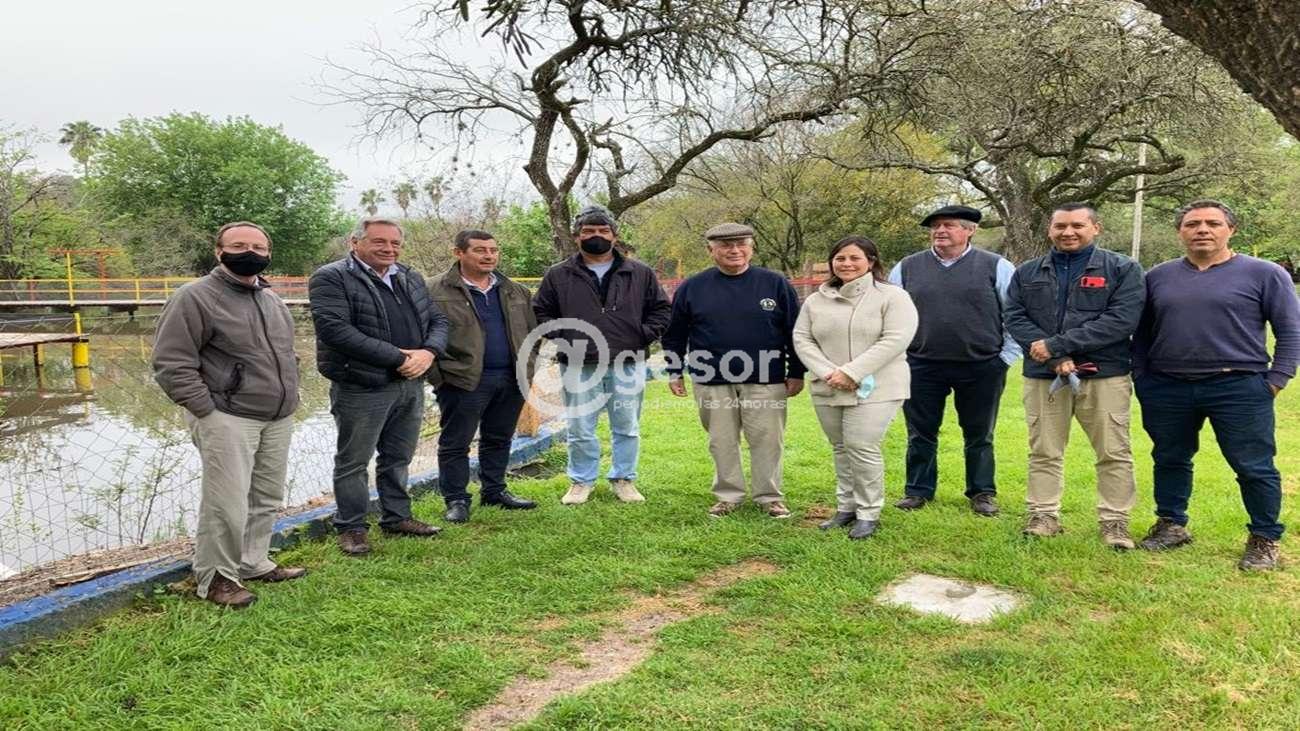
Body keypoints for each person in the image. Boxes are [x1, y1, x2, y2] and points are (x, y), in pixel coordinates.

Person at [1133, 199, 1300, 570]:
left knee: (1254, 466)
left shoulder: (1265, 273)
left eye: (1212, 223)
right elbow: (1142, 334)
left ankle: (1264, 538)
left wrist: (1277, 379)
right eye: (1192, 224)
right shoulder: (1158, 276)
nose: (1202, 230)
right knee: (1170, 457)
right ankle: (1171, 524)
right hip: (1166, 385)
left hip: (1239, 386)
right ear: (1180, 232)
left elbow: (1290, 330)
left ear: (1231, 230)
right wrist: (1141, 376)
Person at [153, 221, 305, 608]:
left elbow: (285, 354)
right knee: (226, 503)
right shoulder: (194, 297)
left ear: (268, 253)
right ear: (219, 251)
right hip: (226, 415)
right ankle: (216, 577)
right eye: (238, 245)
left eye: (258, 246)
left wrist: (292, 393)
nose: (249, 252)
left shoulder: (271, 300)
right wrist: (205, 410)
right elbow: (171, 362)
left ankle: (253, 562)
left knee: (266, 494)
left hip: (277, 415)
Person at [1003, 203, 1145, 548]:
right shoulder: (1027, 272)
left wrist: (1057, 345)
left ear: (1096, 228)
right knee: (1044, 450)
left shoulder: (1122, 269)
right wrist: (1054, 357)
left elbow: (1121, 320)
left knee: (1113, 451)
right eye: (1061, 226)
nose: (1068, 232)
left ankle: (1115, 522)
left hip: (1104, 374)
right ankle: (1043, 515)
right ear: (1050, 230)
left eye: (1078, 225)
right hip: (1044, 375)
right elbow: (1014, 316)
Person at [308, 217, 450, 556]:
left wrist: (429, 353)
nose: (389, 248)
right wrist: (398, 358)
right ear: (355, 242)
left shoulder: (409, 276)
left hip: (410, 382)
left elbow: (438, 320)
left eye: (395, 243)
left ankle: (397, 517)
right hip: (361, 385)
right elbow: (335, 330)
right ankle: (352, 527)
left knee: (398, 456)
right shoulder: (331, 277)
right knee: (354, 461)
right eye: (379, 242)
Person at [662, 222, 806, 518]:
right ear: (711, 250)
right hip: (712, 378)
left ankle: (769, 497)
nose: (734, 250)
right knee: (722, 440)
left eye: (741, 244)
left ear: (752, 248)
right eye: (726, 245)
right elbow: (675, 333)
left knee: (768, 439)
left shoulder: (775, 283)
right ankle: (728, 496)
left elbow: (795, 330)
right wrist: (674, 370)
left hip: (766, 377)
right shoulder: (692, 287)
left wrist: (796, 371)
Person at [532, 204, 673, 505]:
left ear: (614, 236)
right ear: (576, 236)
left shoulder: (640, 272)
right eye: (589, 231)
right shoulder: (559, 274)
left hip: (627, 362)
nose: (596, 235)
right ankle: (581, 481)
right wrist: (565, 337)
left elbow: (661, 309)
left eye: (603, 230)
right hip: (579, 363)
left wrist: (642, 334)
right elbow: (541, 311)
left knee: (627, 426)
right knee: (580, 427)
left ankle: (624, 479)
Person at [888, 205, 1021, 515]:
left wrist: (1004, 358)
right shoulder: (907, 267)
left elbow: (1014, 315)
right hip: (921, 364)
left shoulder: (997, 267)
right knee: (920, 432)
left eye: (948, 225)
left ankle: (982, 492)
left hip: (981, 366)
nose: (940, 231)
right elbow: (891, 315)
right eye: (935, 226)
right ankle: (918, 490)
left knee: (980, 434)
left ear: (970, 230)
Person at [795, 236, 918, 539]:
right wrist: (829, 373)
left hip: (877, 387)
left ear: (871, 261)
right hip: (828, 385)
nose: (846, 264)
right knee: (840, 447)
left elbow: (895, 339)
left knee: (861, 446)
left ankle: (868, 512)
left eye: (854, 258)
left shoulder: (893, 297)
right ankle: (846, 507)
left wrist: (852, 372)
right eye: (840, 258)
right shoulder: (815, 300)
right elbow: (802, 338)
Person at [428, 229, 539, 523]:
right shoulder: (434, 290)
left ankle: (494, 491)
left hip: (511, 378)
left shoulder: (516, 291)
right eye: (480, 250)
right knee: (456, 442)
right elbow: (421, 335)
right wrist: (439, 375)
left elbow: (533, 333)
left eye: (493, 250)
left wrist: (527, 367)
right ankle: (456, 499)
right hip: (461, 380)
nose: (489, 256)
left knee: (499, 438)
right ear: (459, 253)